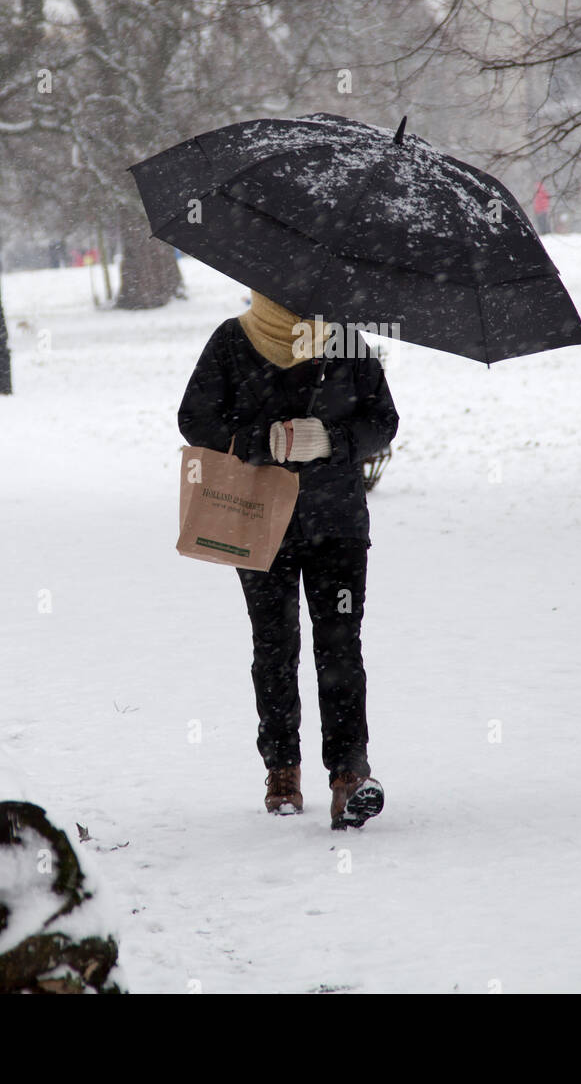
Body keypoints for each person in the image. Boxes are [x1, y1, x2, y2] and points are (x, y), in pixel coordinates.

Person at [178, 289, 399, 829]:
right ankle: (282, 768)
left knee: (340, 644)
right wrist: (263, 440)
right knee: (274, 645)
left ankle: (349, 774)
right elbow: (194, 419)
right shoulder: (233, 340)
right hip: (259, 522)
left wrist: (330, 440)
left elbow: (383, 422)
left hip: (337, 525)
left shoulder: (346, 342)